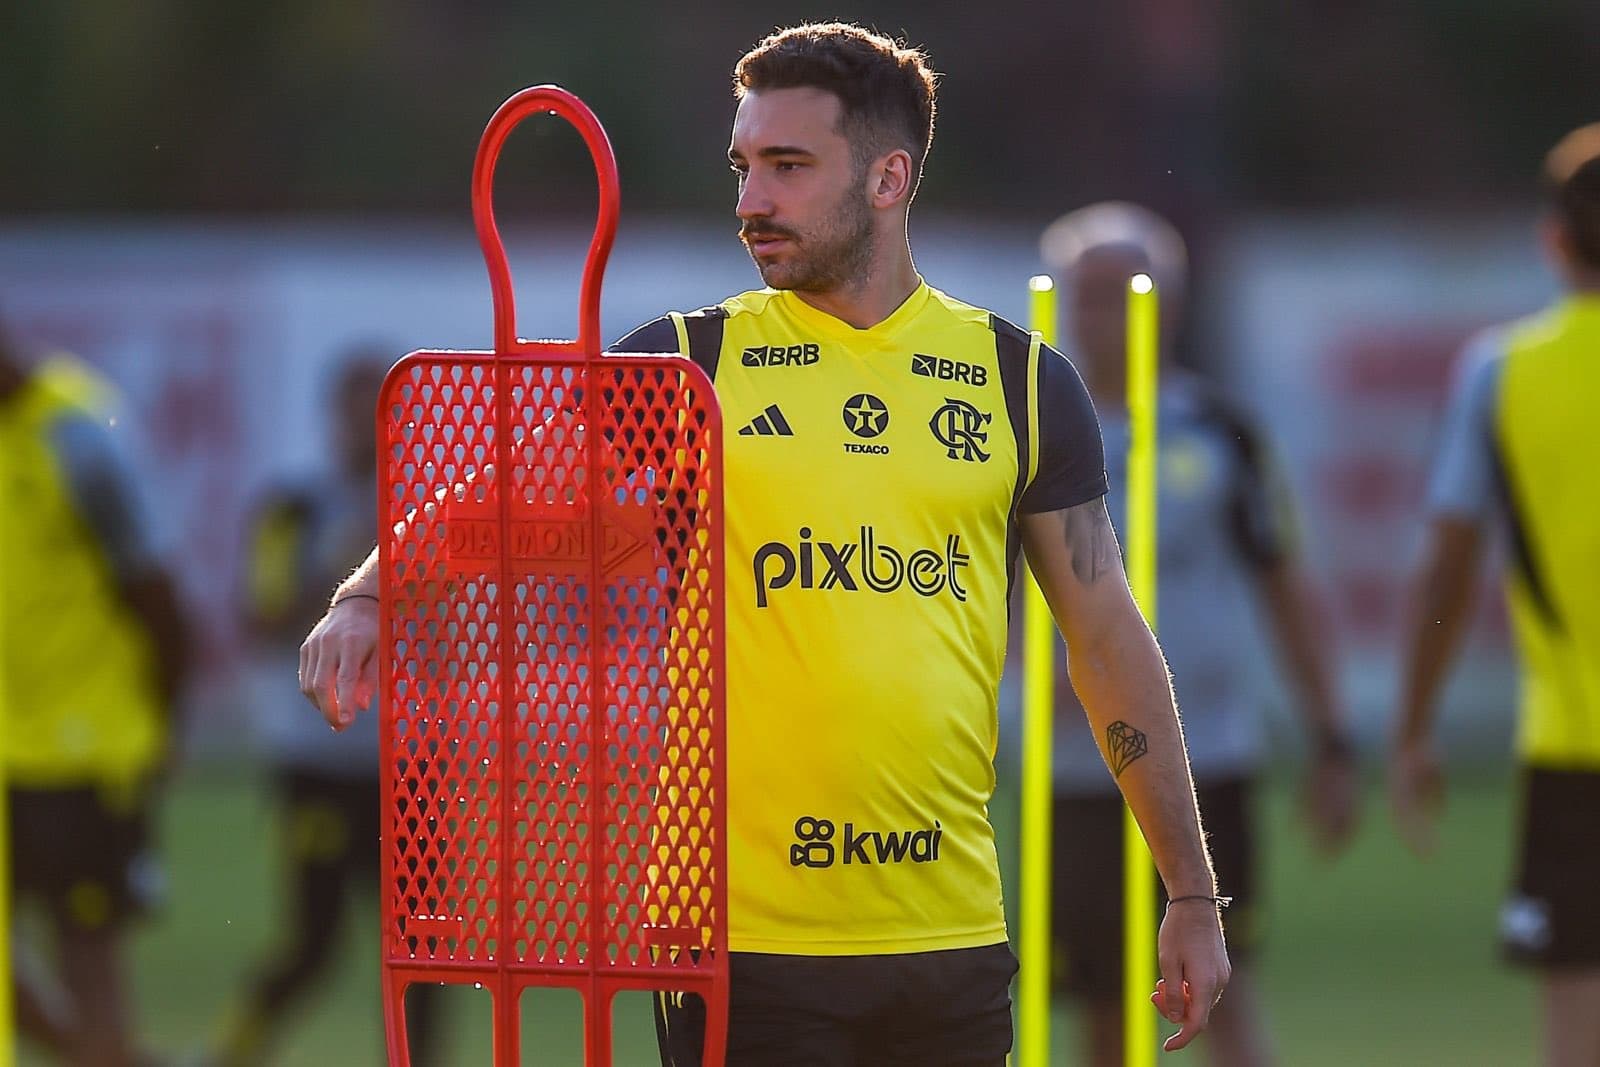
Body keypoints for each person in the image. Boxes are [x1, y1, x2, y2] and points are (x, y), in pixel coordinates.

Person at [299, 23, 1231, 1065]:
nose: (751, 199)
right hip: (738, 947)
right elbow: (510, 495)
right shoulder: (691, 361)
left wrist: (1190, 889)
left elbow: (1105, 638)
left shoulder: (1019, 379)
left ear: (888, 177)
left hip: (952, 939)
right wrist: (372, 594)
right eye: (744, 166)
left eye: (788, 166)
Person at [1026, 203, 1357, 1067]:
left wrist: (1330, 738)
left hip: (1211, 757)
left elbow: (1287, 587)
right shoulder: (1026, 434)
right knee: (1104, 1006)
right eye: (1085, 292)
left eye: (1122, 291)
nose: (1102, 312)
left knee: (1225, 984)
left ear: (1169, 300)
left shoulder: (1224, 435)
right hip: (1077, 769)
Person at [1392, 123, 1600, 1067]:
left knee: (1577, 1024)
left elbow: (1448, 563)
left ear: (1553, 240)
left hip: (1573, 747)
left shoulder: (1505, 372)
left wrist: (1413, 728)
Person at [203, 355, 444, 1066]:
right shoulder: (295, 506)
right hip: (319, 756)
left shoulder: (430, 504)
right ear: (335, 413)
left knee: (426, 944)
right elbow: (263, 616)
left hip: (410, 761)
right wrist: (341, 582)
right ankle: (226, 1049)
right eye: (357, 406)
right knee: (315, 941)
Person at [0, 324, 190, 1067]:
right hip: (8, 741)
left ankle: (102, 1051)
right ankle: (103, 1056)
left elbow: (155, 589)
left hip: (89, 743)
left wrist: (165, 718)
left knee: (89, 953)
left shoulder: (76, 430)